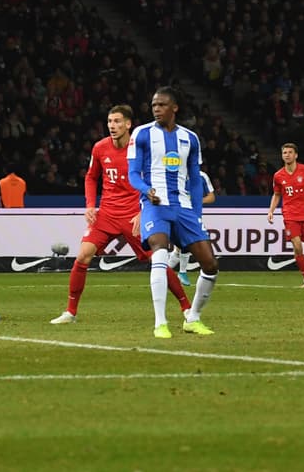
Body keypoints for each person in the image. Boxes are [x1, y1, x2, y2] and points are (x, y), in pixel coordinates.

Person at [50, 104, 191, 324]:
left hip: (135, 213)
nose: (112, 126)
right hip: (106, 214)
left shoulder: (142, 150)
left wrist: (144, 211)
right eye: (109, 121)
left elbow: (155, 181)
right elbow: (91, 177)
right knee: (83, 255)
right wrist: (90, 204)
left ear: (128, 124)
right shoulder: (100, 148)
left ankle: (186, 307)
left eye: (117, 121)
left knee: (157, 260)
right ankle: (70, 312)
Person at [127, 87, 217, 339]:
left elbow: (196, 180)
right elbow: (133, 173)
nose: (156, 109)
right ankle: (160, 323)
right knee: (160, 252)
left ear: (174, 108)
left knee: (210, 264)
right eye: (154, 105)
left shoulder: (190, 138)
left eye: (162, 105)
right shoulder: (142, 134)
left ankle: (193, 317)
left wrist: (197, 213)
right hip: (155, 205)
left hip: (185, 207)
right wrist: (147, 190)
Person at [266, 142, 304, 288]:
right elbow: (277, 194)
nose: (287, 155)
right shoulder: (278, 176)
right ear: (282, 155)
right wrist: (271, 210)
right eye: (285, 153)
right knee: (297, 246)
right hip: (290, 216)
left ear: (296, 155)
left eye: (290, 152)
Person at [168, 170, 216, 284]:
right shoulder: (174, 174)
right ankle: (176, 272)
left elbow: (211, 197)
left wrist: (196, 200)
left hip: (194, 215)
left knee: (182, 246)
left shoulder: (202, 176)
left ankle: (167, 272)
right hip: (177, 213)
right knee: (182, 245)